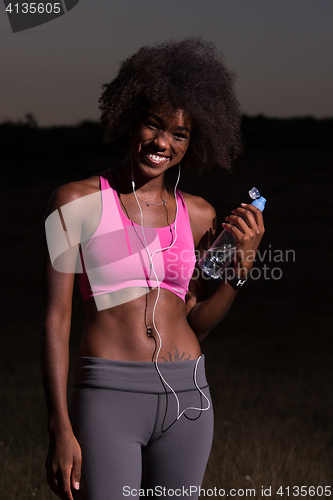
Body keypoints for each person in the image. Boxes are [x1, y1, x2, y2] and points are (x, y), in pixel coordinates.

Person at [41, 38, 265, 500]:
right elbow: (57, 318)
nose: (163, 142)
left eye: (179, 134)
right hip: (107, 395)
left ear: (193, 141)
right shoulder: (75, 203)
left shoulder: (199, 215)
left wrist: (240, 270)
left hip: (189, 397)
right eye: (153, 125)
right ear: (129, 119)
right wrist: (59, 426)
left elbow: (195, 321)